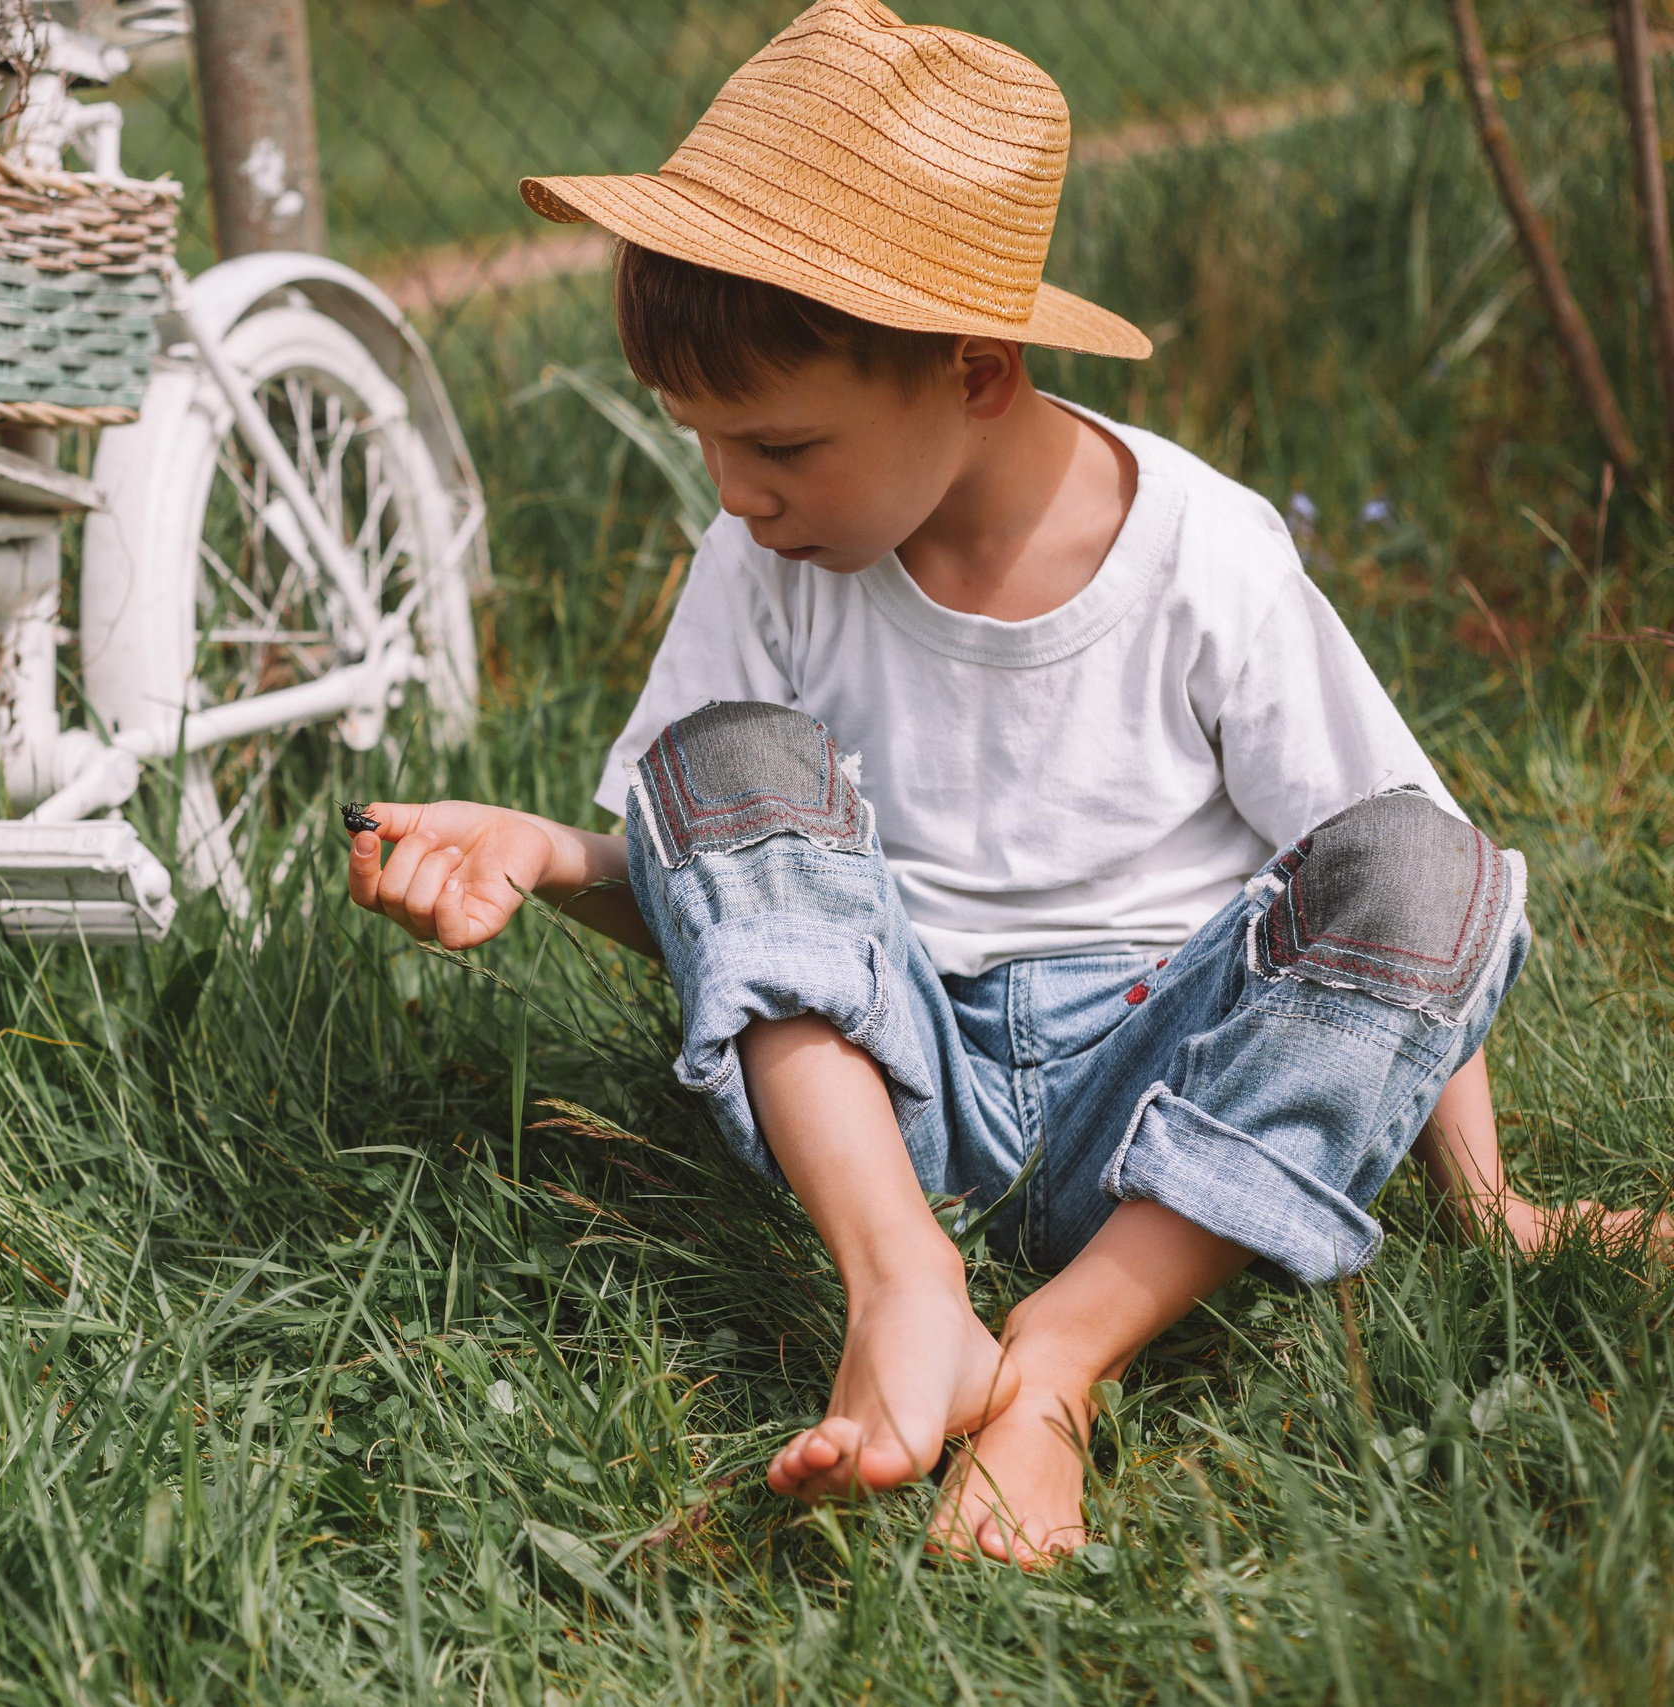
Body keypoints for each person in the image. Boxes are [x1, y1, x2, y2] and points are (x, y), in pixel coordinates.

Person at [341, 0, 1664, 1566]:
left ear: (976, 370)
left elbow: (1383, 893)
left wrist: (1482, 1197)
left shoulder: (1203, 554)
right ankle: (907, 1285)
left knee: (1432, 854)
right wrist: (557, 859)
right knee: (723, 757)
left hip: (1176, 1094)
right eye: (699, 439)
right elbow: (753, 910)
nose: (736, 493)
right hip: (895, 1105)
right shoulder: (760, 567)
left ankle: (1054, 1359)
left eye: (779, 444)